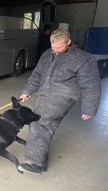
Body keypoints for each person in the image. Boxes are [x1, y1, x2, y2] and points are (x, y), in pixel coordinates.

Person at [18, 28, 101, 174]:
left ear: (68, 42)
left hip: (64, 94)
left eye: (59, 47)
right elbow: (37, 74)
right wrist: (27, 91)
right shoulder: (47, 54)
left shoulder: (83, 58)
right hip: (46, 93)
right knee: (45, 124)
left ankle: (35, 163)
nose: (55, 50)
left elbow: (91, 84)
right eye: (53, 47)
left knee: (40, 121)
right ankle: (41, 161)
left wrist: (89, 108)